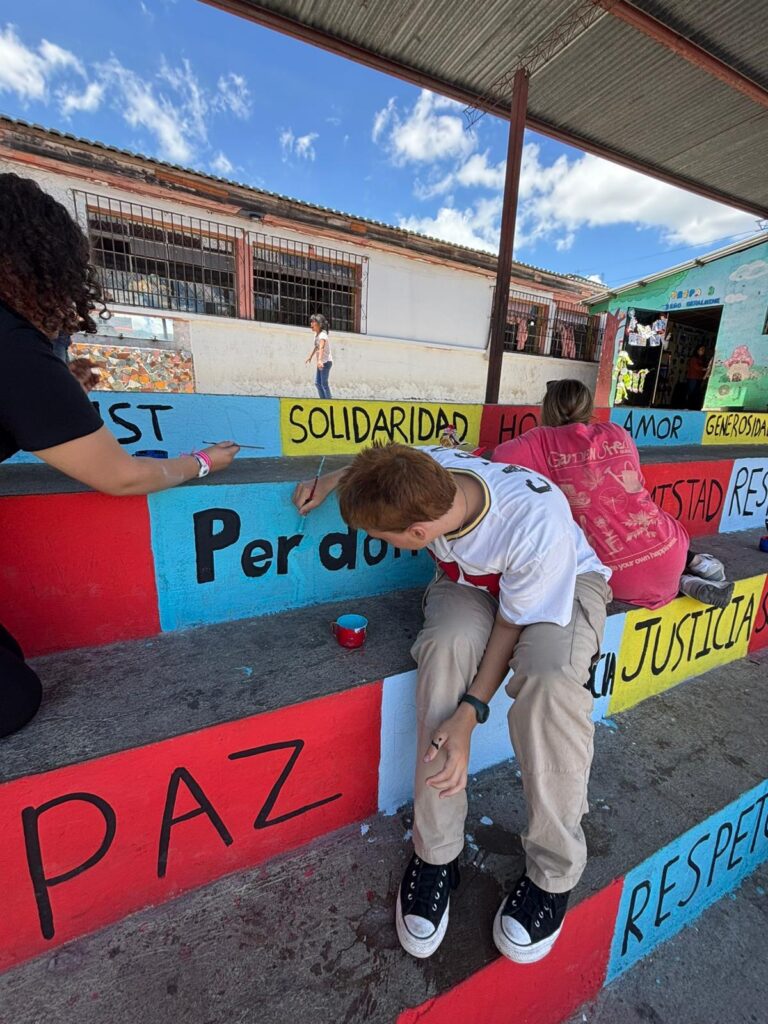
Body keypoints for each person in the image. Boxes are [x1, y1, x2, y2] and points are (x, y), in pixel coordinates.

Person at [293, 442, 612, 964]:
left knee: (550, 680)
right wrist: (330, 482)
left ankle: (553, 874)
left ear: (420, 534)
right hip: (474, 582)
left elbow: (510, 627)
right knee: (445, 649)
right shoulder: (429, 469)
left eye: (383, 537)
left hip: (563, 579)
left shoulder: (534, 526)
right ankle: (436, 853)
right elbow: (378, 464)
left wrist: (469, 714)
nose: (377, 540)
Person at [0, 172, 240, 739]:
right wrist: (205, 462)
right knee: (13, 698)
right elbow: (122, 476)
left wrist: (60, 388)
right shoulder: (13, 346)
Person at [492, 379, 733, 610]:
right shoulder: (617, 431)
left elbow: (498, 457)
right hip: (671, 548)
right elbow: (636, 483)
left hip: (615, 577)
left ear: (547, 408)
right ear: (588, 408)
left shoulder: (538, 440)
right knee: (642, 519)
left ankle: (684, 582)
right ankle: (693, 568)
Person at [305, 313, 333, 398]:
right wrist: (310, 356)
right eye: (311, 322)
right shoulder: (316, 335)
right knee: (318, 383)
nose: (311, 324)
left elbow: (321, 347)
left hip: (326, 362)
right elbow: (317, 347)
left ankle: (329, 402)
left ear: (320, 324)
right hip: (321, 363)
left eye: (313, 322)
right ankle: (323, 401)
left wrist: (320, 360)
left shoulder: (322, 335)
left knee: (324, 383)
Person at [685, 345, 710, 409]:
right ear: (697, 350)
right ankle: (688, 407)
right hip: (693, 378)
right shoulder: (694, 358)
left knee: (696, 394)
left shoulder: (702, 359)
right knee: (691, 393)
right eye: (701, 350)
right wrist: (704, 369)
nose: (703, 351)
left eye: (703, 350)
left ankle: (693, 407)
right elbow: (696, 367)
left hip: (699, 378)